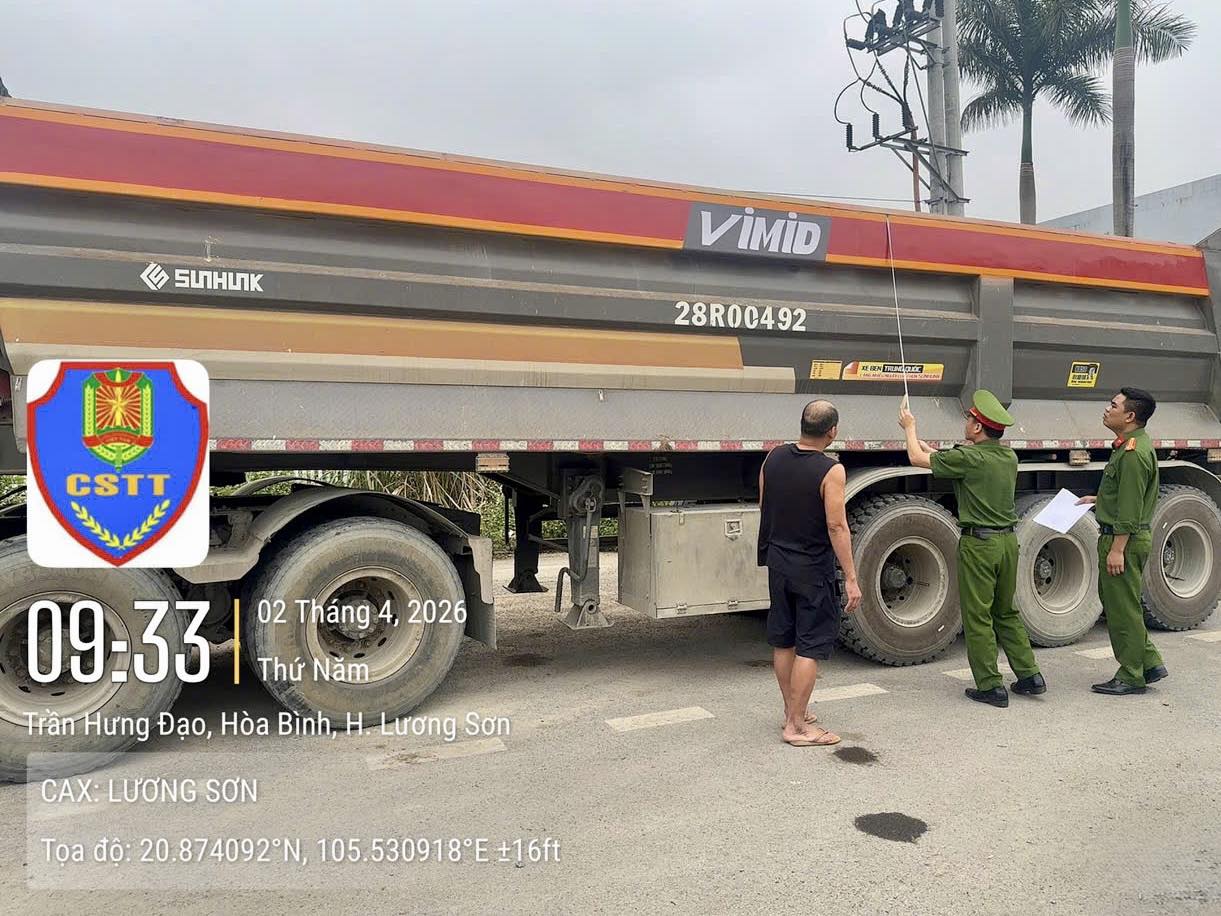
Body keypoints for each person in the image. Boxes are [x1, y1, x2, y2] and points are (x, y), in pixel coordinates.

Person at [899, 391, 1045, 708]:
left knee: (978, 616)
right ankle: (1029, 675)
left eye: (969, 419)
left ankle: (990, 685)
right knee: (1005, 611)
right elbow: (957, 462)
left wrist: (909, 428)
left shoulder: (968, 458)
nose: (965, 423)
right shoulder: (1008, 457)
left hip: (979, 545)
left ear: (978, 428)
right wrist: (932, 450)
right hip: (1007, 543)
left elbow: (915, 459)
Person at [758, 400, 863, 746]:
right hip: (811, 568)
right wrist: (851, 577)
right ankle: (798, 727)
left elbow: (764, 503)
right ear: (832, 432)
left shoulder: (773, 457)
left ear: (802, 425)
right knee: (810, 646)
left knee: (784, 639)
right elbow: (836, 525)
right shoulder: (831, 470)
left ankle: (792, 710)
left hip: (778, 563)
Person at [1076, 388, 1167, 695]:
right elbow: (1127, 495)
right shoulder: (1133, 445)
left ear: (1129, 416)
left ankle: (1130, 675)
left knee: (1122, 610)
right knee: (1122, 604)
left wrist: (1117, 549)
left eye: (1113, 405)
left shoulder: (1132, 453)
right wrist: (1099, 500)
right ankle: (1149, 662)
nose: (1107, 409)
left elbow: (1129, 508)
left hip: (1124, 539)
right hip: (1127, 536)